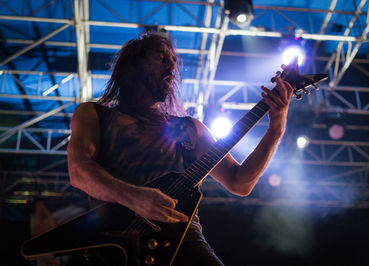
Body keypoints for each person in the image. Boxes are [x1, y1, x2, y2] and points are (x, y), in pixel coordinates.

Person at [67, 32, 294, 265]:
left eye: (173, 61)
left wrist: (275, 130)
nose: (171, 66)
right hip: (114, 242)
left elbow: (239, 182)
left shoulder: (190, 128)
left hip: (183, 239)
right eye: (160, 58)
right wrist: (133, 197)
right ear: (132, 66)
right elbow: (79, 171)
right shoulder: (94, 114)